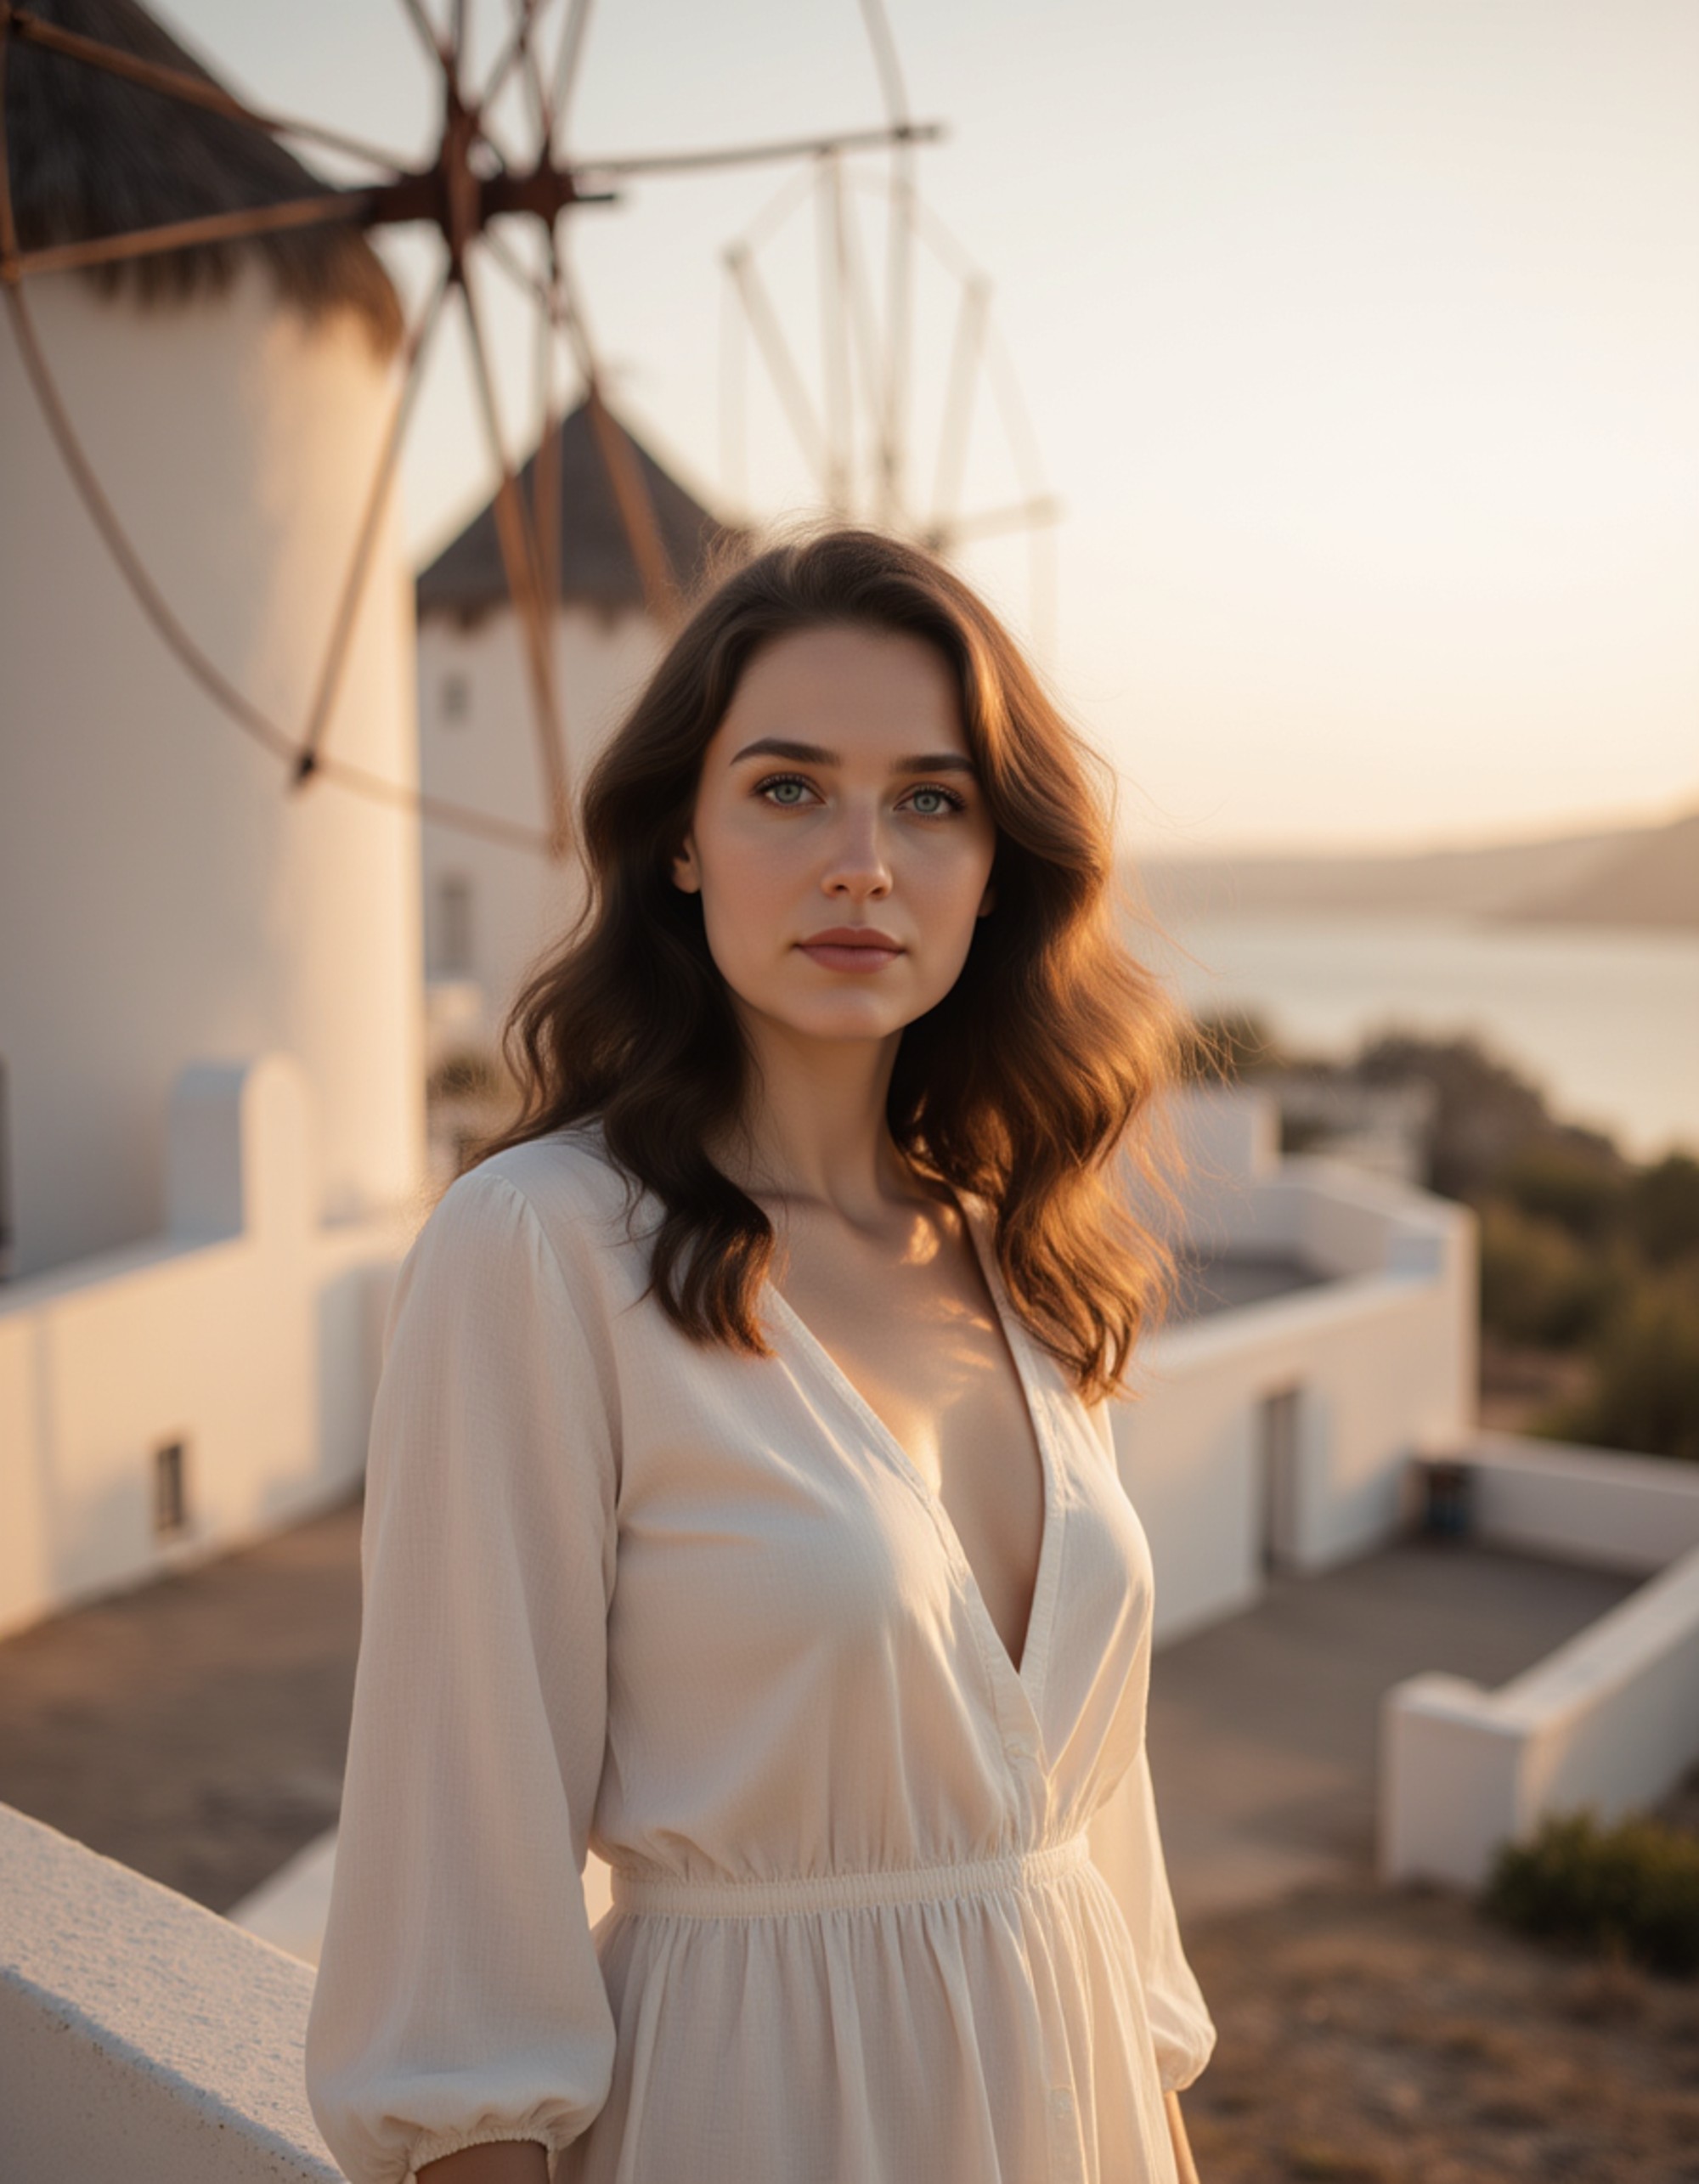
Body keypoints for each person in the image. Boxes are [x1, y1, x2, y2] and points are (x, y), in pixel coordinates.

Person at [304, 528, 1216, 2184]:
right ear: (681, 839)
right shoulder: (539, 1248)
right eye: (789, 789)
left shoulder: (1016, 1253)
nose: (862, 862)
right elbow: (456, 1920)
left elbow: (1112, 1887)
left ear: (995, 865)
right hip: (755, 2120)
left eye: (930, 800)